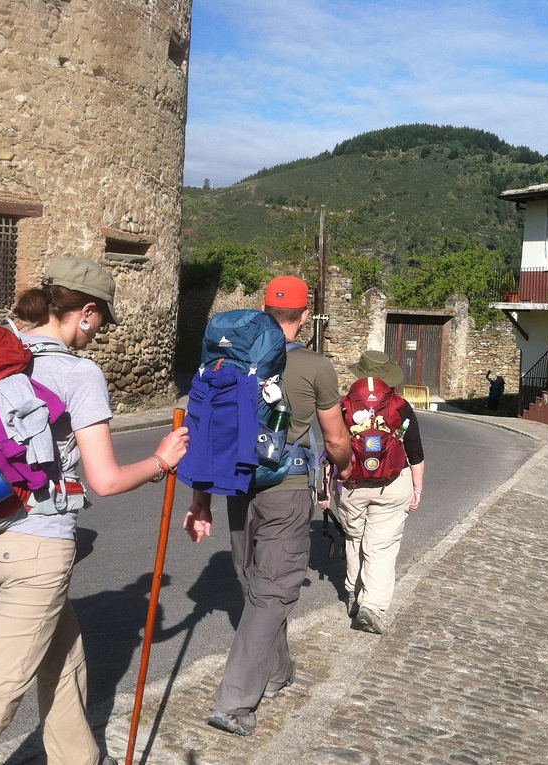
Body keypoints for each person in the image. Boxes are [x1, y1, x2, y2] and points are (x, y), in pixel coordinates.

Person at [0, 257, 190, 765]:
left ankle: (79, 758)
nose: (98, 334)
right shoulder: (78, 373)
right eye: (100, 321)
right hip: (40, 550)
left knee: (64, 659)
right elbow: (106, 480)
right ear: (86, 312)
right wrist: (161, 461)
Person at [183, 275, 352, 737]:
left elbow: (206, 429)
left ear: (263, 311)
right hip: (288, 487)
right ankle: (235, 702)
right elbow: (336, 439)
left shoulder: (233, 359)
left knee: (257, 583)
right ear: (304, 315)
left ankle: (277, 673)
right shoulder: (316, 366)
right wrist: (346, 466)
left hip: (239, 486)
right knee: (275, 588)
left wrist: (202, 500)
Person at [330, 351, 425, 635]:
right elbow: (415, 452)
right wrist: (417, 488)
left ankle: (353, 593)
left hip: (351, 484)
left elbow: (333, 445)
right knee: (381, 546)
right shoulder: (400, 405)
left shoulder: (343, 405)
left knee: (355, 537)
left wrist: (327, 487)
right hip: (392, 484)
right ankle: (372, 605)